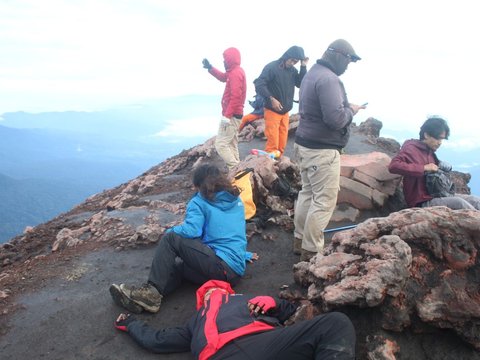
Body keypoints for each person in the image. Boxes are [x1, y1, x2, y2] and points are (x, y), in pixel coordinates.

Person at [110, 164, 258, 314]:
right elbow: (233, 231)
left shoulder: (199, 201)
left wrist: (171, 231)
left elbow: (192, 231)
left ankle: (150, 294)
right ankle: (142, 300)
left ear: (197, 185)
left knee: (171, 239)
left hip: (219, 267)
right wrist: (242, 254)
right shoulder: (235, 199)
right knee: (180, 268)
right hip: (234, 274)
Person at [113, 279, 356, 360]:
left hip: (263, 343)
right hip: (221, 355)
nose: (211, 291)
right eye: (206, 291)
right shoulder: (195, 320)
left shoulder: (249, 299)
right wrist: (132, 324)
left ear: (227, 290)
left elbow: (288, 310)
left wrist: (273, 302)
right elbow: (158, 340)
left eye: (215, 287)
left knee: (336, 323)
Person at [293, 39, 366, 261]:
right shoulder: (329, 79)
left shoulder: (313, 74)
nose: (348, 66)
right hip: (322, 150)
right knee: (323, 199)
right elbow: (335, 120)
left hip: (305, 145)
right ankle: (312, 251)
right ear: (339, 56)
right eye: (348, 61)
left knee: (307, 193)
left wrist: (344, 107)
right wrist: (351, 110)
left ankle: (299, 240)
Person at [388, 117, 480, 210]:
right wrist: (423, 168)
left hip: (438, 194)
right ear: (426, 135)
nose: (439, 143)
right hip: (421, 202)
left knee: (475, 200)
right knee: (460, 203)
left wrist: (441, 165)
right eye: (437, 138)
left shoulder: (429, 151)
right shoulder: (411, 148)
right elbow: (394, 166)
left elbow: (433, 169)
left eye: (442, 139)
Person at [254, 46, 309, 158]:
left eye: (296, 61)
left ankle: (278, 164)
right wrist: (271, 98)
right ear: (287, 56)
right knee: (272, 143)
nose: (293, 63)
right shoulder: (272, 67)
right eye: (292, 60)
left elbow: (300, 83)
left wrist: (303, 66)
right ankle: (267, 166)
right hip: (272, 111)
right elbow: (259, 84)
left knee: (282, 143)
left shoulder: (293, 70)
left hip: (285, 112)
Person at [202, 47, 247, 170]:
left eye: (225, 59)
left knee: (221, 144)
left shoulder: (236, 73)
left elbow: (236, 97)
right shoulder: (234, 71)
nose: (224, 62)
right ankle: (238, 168)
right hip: (234, 114)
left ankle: (235, 170)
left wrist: (226, 116)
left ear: (230, 59)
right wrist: (210, 68)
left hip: (231, 115)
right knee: (231, 143)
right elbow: (223, 77)